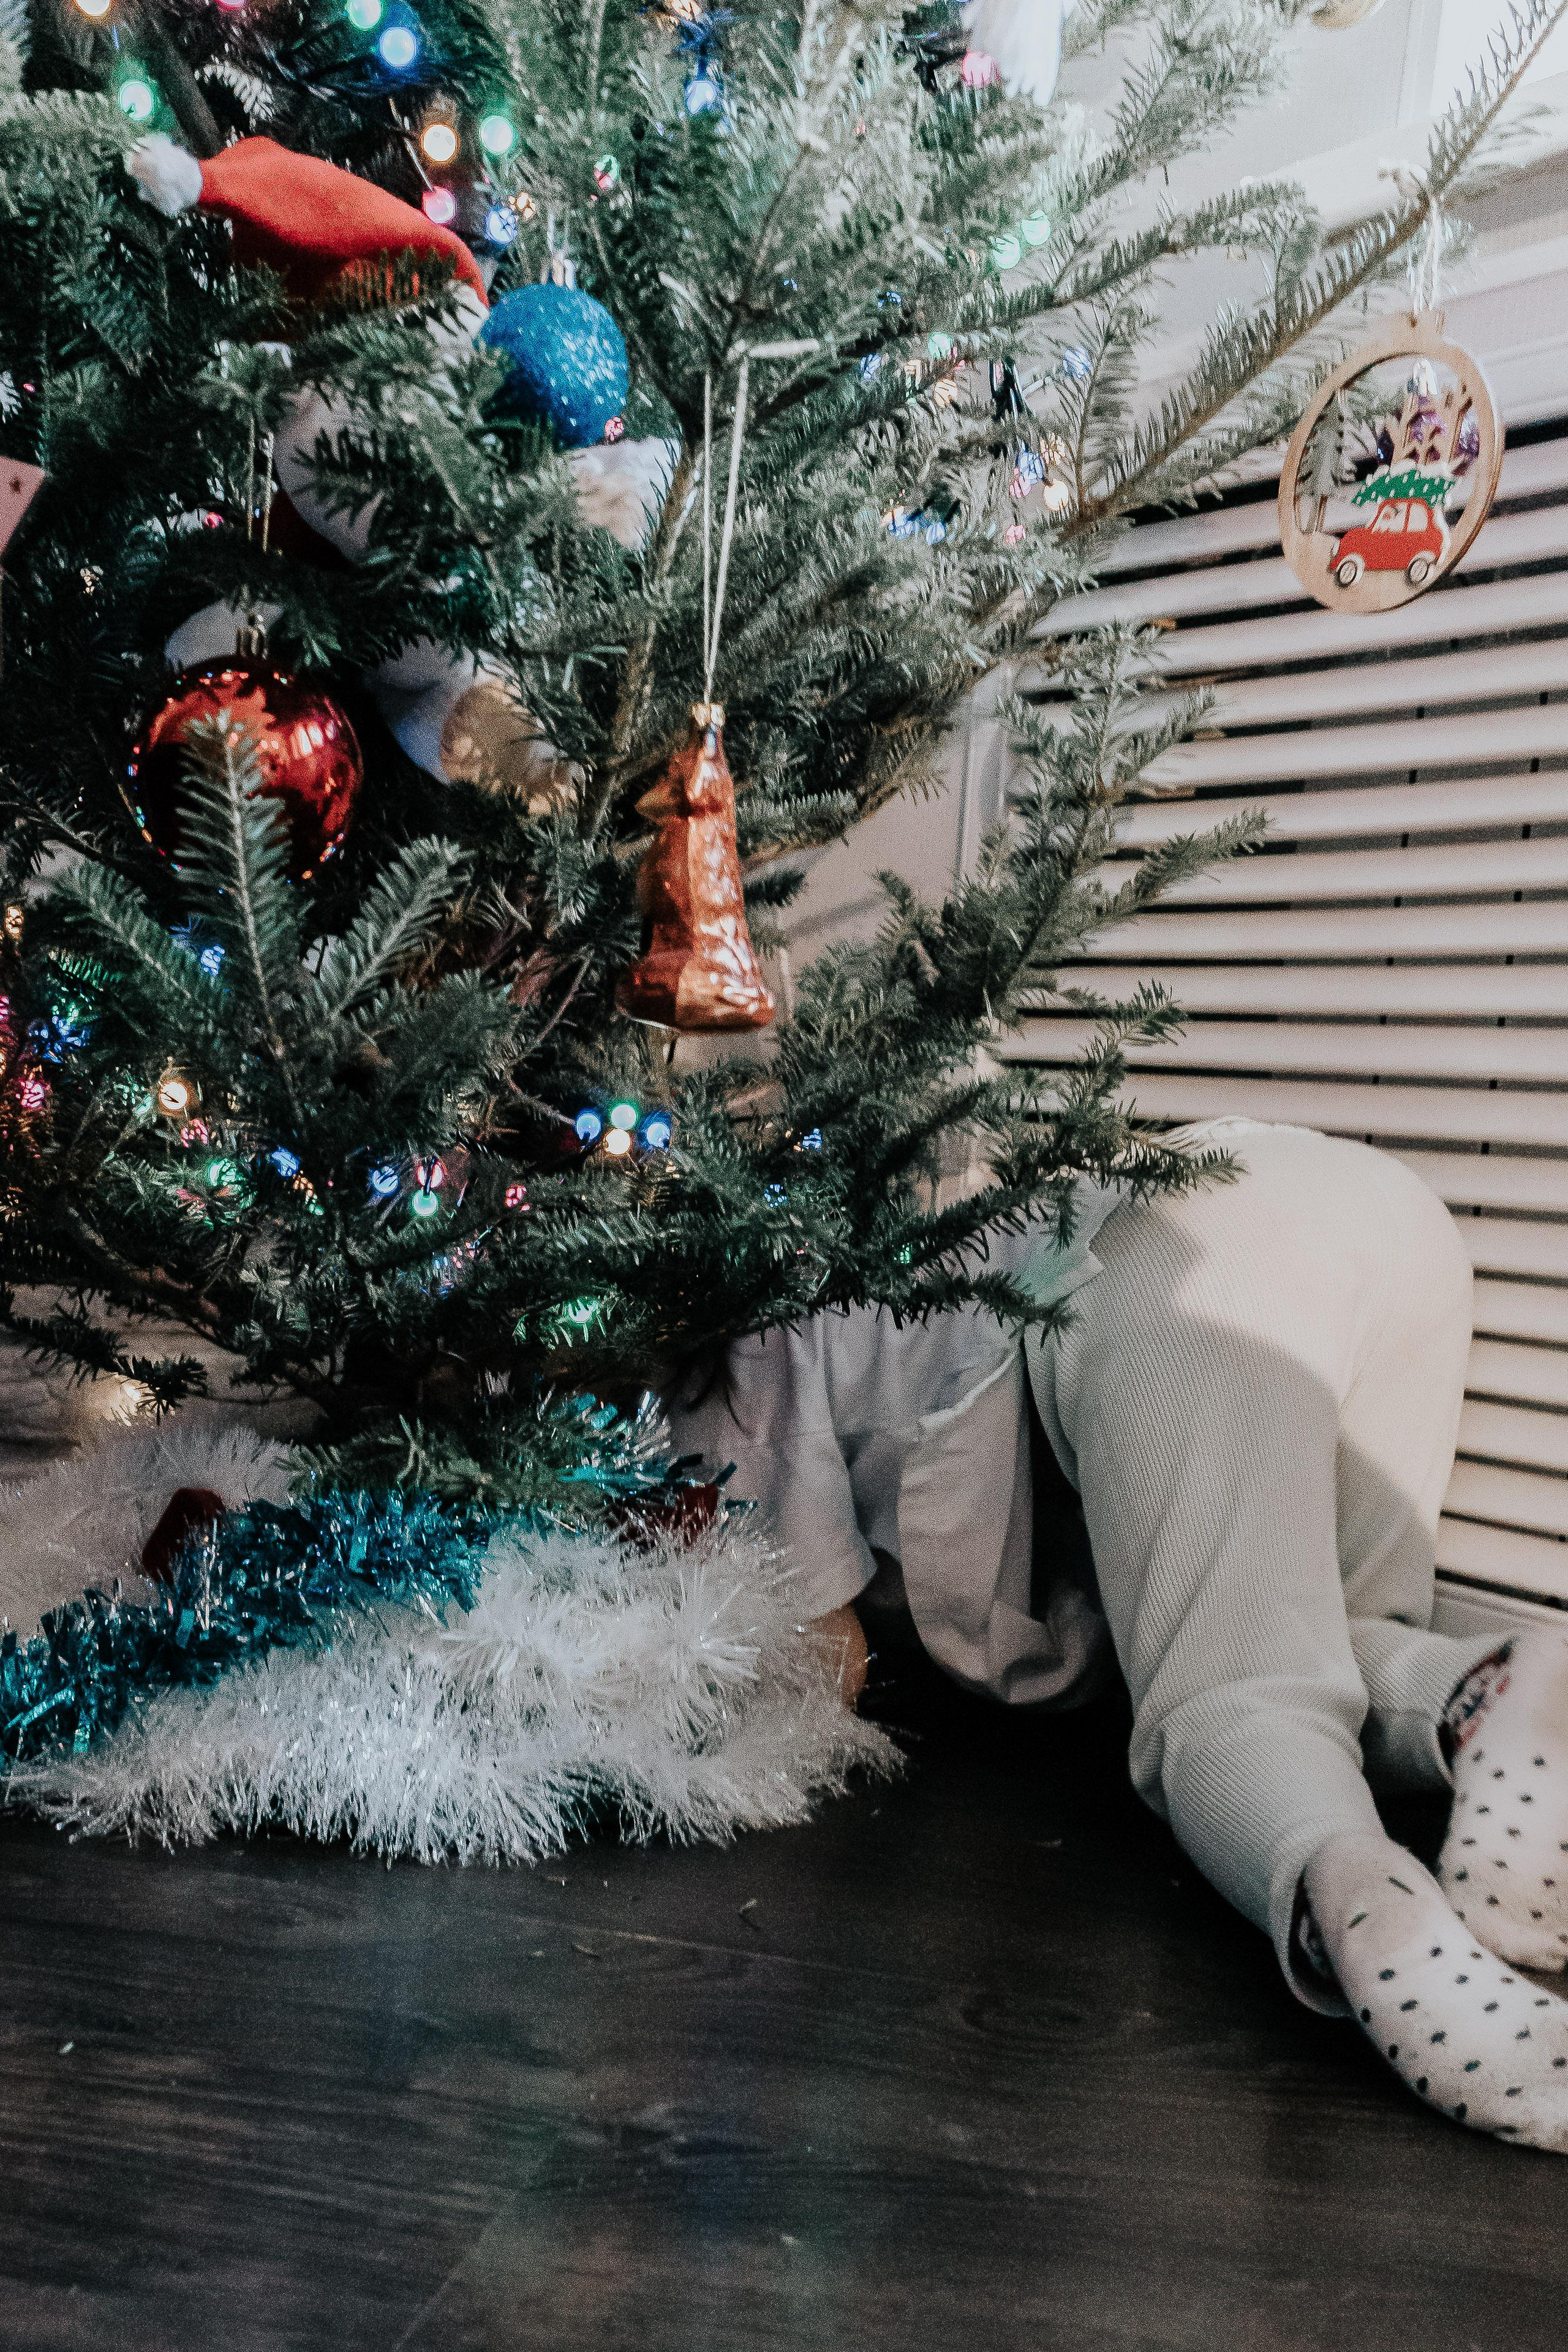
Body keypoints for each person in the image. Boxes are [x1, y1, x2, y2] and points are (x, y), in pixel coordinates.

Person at [666, 1120, 1568, 2152]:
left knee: (1234, 1707)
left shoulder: (714, 1354)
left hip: (1181, 1262)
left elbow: (824, 1660)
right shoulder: (836, 1225)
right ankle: (1500, 1680)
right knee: (1323, 1636)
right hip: (1372, 1210)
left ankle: (1402, 1954)